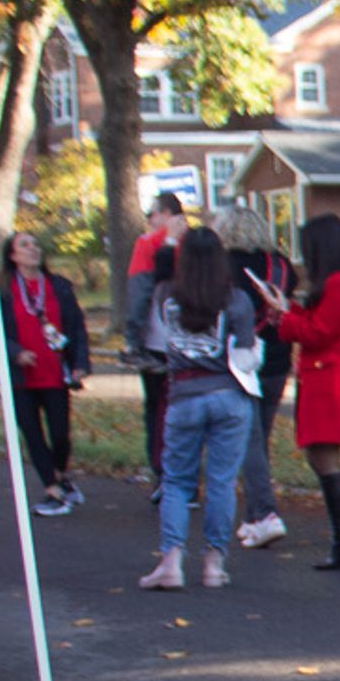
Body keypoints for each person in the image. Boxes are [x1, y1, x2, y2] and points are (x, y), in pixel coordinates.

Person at [251, 212, 340, 570]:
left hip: (331, 379)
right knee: (321, 456)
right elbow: (318, 323)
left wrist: (285, 317)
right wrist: (285, 310)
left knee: (323, 456)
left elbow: (319, 332)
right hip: (329, 377)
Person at [140, 227, 262, 592]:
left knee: (177, 480)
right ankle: (214, 564)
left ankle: (171, 561)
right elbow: (245, 356)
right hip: (229, 395)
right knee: (222, 481)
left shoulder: (165, 295)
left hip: (184, 394)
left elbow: (157, 347)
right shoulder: (237, 299)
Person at [0, 229, 91, 513]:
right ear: (13, 256)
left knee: (60, 434)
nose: (33, 249)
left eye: (35, 244)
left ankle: (61, 475)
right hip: (22, 379)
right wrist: (16, 353)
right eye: (25, 245)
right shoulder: (3, 291)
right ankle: (52, 489)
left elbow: (76, 327)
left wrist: (79, 364)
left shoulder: (58, 286)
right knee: (33, 433)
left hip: (54, 374)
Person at [221, 205, 298, 548]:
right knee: (258, 437)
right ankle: (253, 516)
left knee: (247, 440)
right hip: (278, 356)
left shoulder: (225, 266)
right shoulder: (281, 266)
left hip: (242, 359)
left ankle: (265, 513)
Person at [121, 190, 186, 490]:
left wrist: (133, 340)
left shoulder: (147, 244)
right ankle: (186, 475)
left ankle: (162, 472)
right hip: (194, 340)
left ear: (164, 215)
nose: (148, 220)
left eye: (151, 214)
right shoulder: (198, 242)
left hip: (156, 341)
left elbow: (139, 295)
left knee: (156, 408)